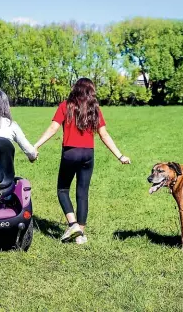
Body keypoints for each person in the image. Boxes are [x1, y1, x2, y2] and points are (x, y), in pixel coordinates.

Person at [34, 78, 131, 245]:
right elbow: (104, 135)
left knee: (63, 189)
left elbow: (53, 128)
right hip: (88, 154)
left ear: (75, 89)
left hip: (70, 153)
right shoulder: (95, 109)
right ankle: (80, 235)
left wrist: (35, 146)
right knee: (83, 192)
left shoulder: (66, 105)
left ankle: (73, 225)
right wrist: (120, 156)